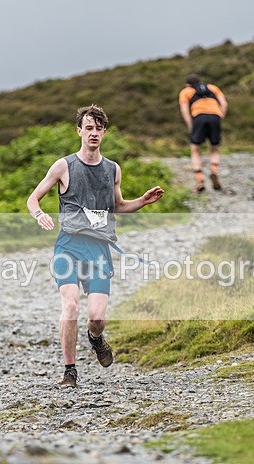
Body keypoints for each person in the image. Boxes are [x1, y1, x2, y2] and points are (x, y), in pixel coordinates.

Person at [27, 105, 164, 387]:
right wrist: (40, 215)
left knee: (97, 317)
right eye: (88, 128)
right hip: (68, 246)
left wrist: (142, 201)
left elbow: (118, 206)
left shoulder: (112, 169)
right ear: (79, 131)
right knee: (71, 306)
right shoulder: (63, 166)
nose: (94, 133)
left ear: (104, 133)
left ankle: (95, 338)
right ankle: (69, 371)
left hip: (100, 249)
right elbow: (33, 198)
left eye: (98, 128)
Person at [178, 74, 228, 193]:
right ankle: (214, 171)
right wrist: (220, 117)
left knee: (195, 148)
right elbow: (224, 104)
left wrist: (191, 125)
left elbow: (184, 110)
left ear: (187, 84)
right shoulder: (213, 88)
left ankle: (200, 180)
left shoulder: (186, 91)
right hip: (215, 116)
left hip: (198, 117)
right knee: (215, 147)